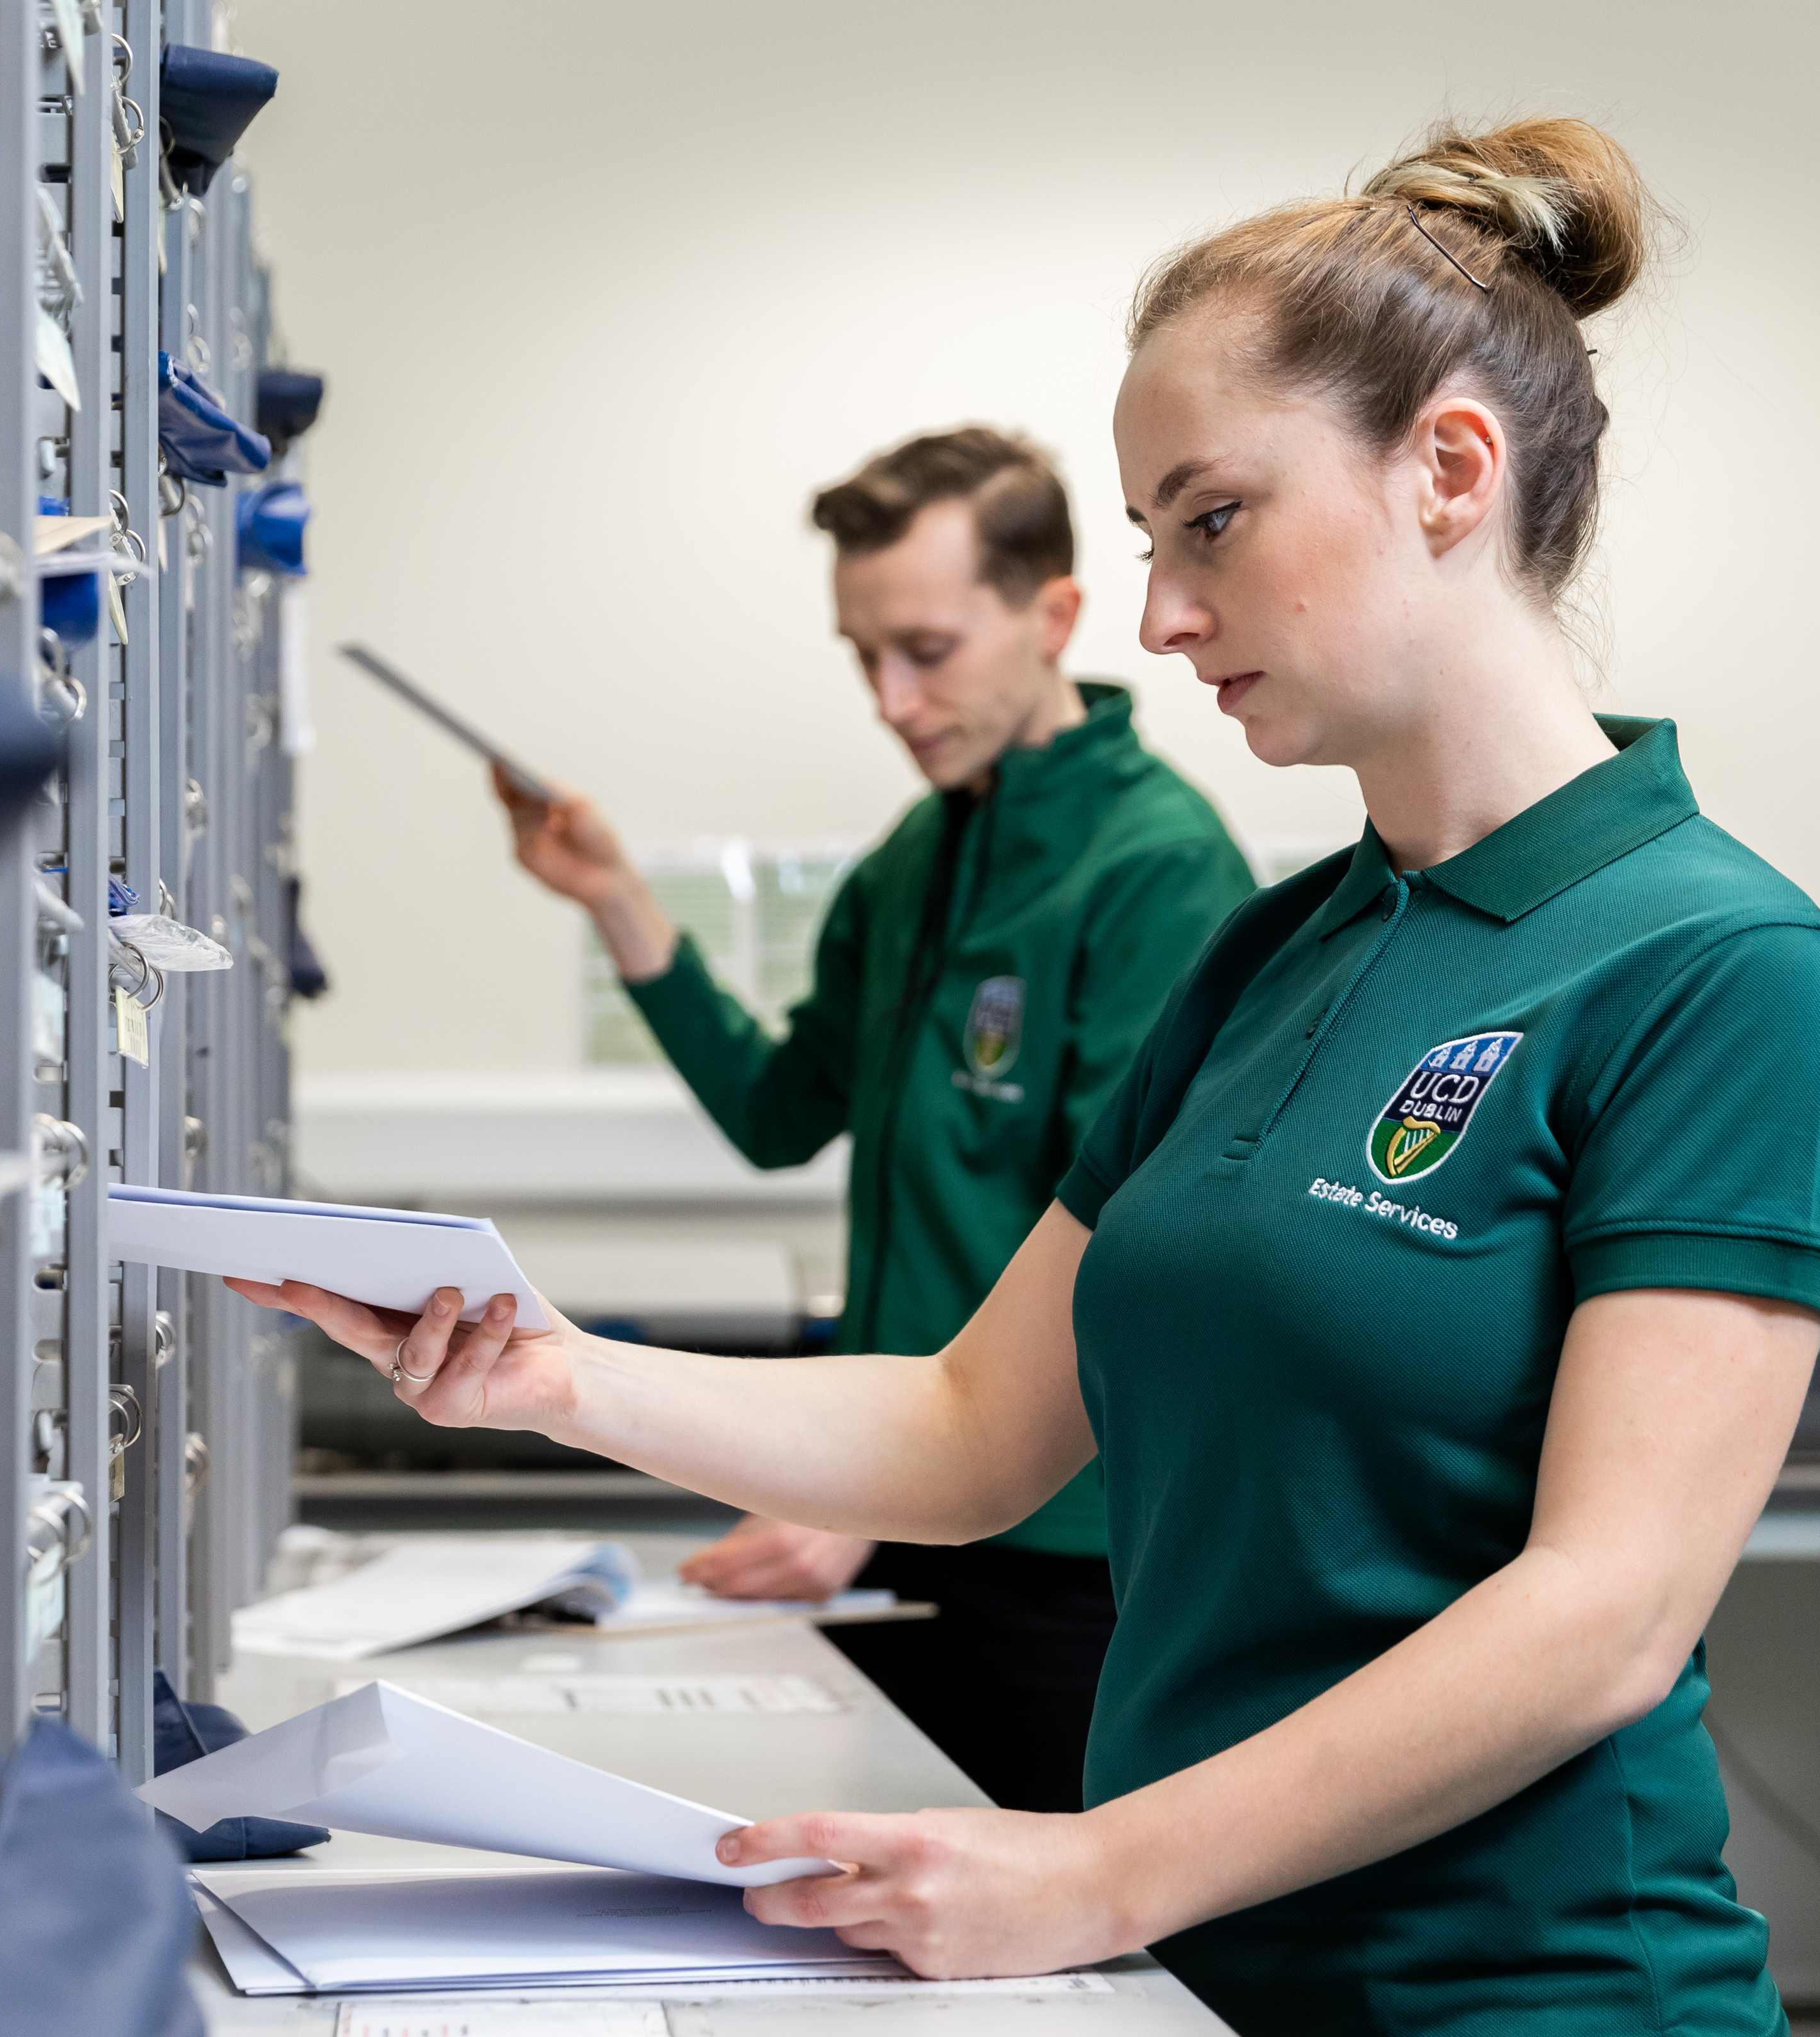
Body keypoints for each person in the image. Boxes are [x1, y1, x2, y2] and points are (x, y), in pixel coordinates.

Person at [248, 113, 1820, 2031]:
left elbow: (1603, 1615)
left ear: (1449, 469)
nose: (1167, 615)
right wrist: (546, 1371)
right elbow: (972, 1432)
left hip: (1529, 1993)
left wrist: (1099, 1868)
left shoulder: (1715, 965)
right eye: (1151, 542)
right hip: (1205, 1976)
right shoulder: (1280, 952)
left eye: (1214, 521)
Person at [494, 427, 1252, 1814]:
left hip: (1064, 1548)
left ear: (1055, 617)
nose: (892, 700)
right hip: (904, 1501)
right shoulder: (914, 860)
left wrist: (867, 1496)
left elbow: (1126, 1253)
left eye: (927, 648)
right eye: (863, 657)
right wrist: (618, 902)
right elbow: (782, 1113)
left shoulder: (1156, 867)